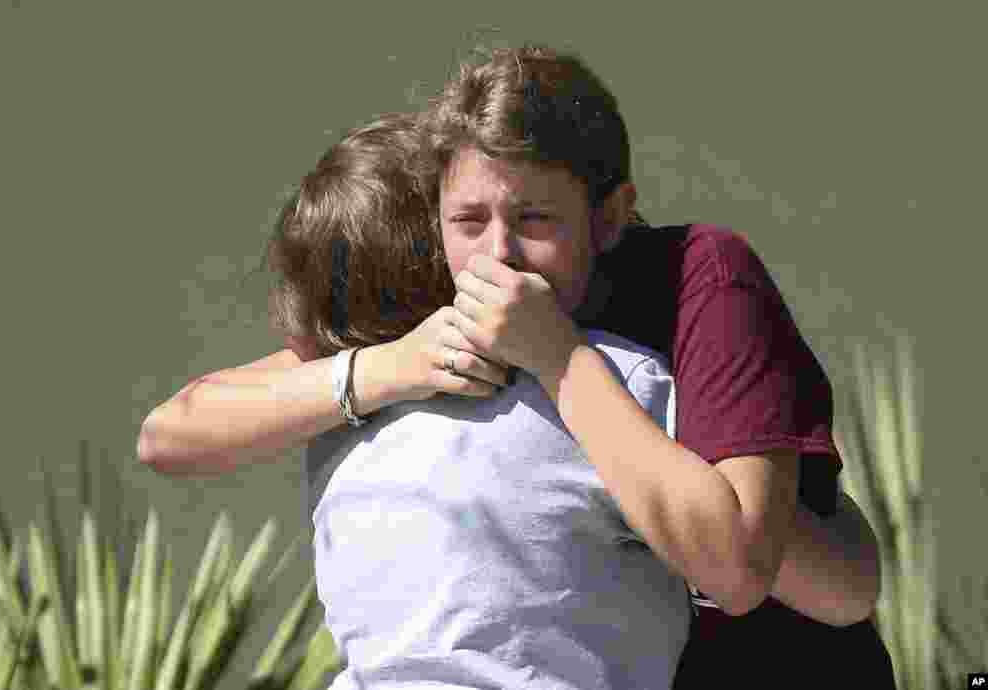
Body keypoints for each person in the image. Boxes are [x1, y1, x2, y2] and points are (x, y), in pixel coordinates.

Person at [138, 45, 896, 687]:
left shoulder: (702, 281)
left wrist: (558, 358)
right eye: (468, 221)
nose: (497, 254)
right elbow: (171, 434)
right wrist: (387, 368)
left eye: (534, 220)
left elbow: (798, 577)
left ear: (609, 217)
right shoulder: (440, 312)